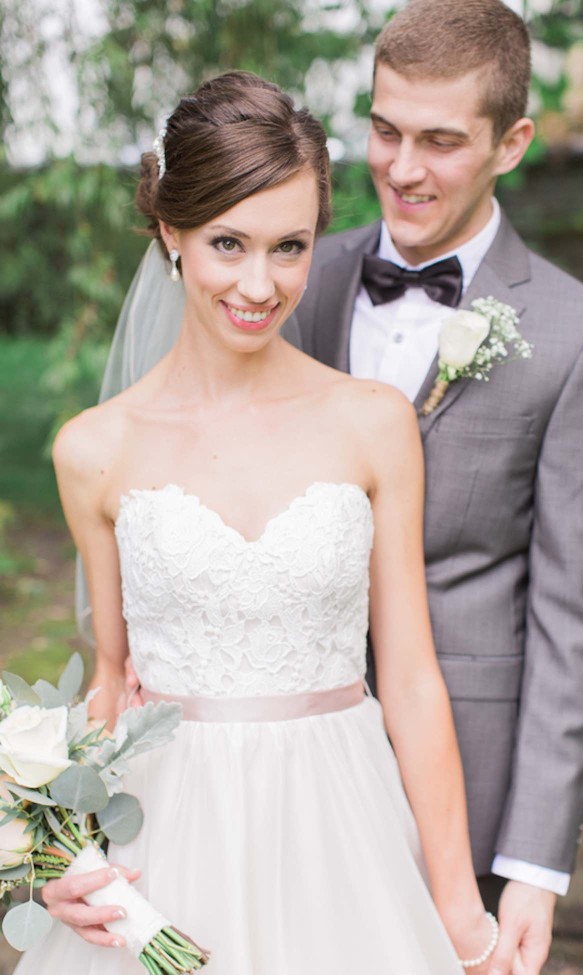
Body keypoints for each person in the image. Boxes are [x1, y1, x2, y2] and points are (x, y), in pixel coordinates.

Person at [83, 3, 583, 974]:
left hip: (447, 774)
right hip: (201, 798)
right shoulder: (292, 266)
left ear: (510, 144)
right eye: (385, 132)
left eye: (439, 141)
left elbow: (574, 619)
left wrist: (529, 869)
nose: (403, 168)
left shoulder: (575, 335)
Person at [16, 72, 499, 975]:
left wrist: (460, 909)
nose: (258, 282)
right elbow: (111, 682)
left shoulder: (373, 422)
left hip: (340, 833)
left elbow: (412, 677)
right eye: (227, 242)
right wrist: (53, 855)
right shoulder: (93, 450)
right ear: (170, 231)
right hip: (168, 841)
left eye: (289, 246)